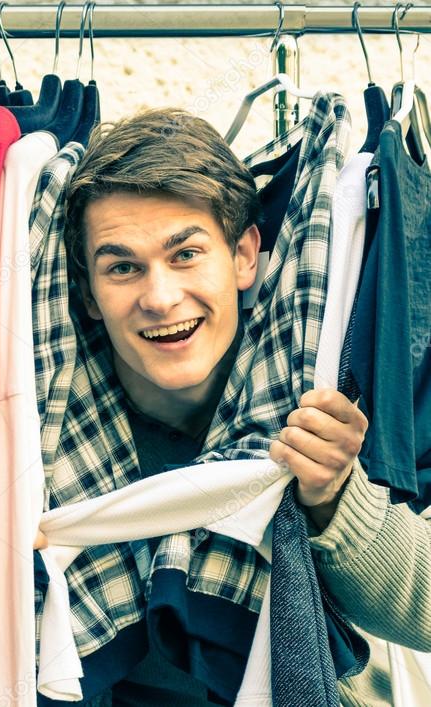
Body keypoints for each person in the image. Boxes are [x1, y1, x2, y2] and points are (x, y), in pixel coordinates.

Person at [43, 109, 380, 705]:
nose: (160, 297)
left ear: (246, 256)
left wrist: (334, 500)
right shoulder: (43, 438)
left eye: (186, 255)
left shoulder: (330, 388)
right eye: (123, 267)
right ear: (88, 293)